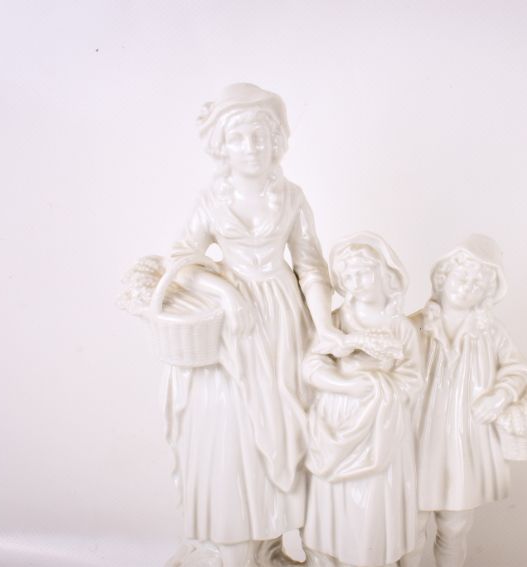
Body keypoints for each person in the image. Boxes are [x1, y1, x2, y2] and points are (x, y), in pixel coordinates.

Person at [163, 83, 342, 567]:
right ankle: (239, 534)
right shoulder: (211, 199)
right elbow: (181, 260)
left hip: (284, 319)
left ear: (275, 141)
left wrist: (323, 328)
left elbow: (311, 266)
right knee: (236, 427)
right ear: (222, 145)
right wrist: (225, 292)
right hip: (234, 326)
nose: (250, 147)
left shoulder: (291, 197)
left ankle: (279, 540)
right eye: (239, 138)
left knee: (292, 425)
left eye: (259, 136)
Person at [408, 235, 527, 567]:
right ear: (443, 277)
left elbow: (517, 369)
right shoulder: (413, 325)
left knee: (455, 525)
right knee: (410, 524)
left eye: (478, 283)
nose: (467, 287)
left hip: (464, 441)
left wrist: (502, 394)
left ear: (488, 292)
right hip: (417, 437)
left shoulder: (491, 332)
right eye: (462, 277)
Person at [301, 233, 422, 567]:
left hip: (382, 427)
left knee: (373, 503)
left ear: (384, 272)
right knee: (338, 503)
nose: (356, 282)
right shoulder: (335, 323)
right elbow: (311, 366)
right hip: (337, 419)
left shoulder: (401, 328)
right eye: (348, 276)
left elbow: (413, 377)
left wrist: (377, 386)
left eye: (363, 273)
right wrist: (345, 385)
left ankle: (372, 556)